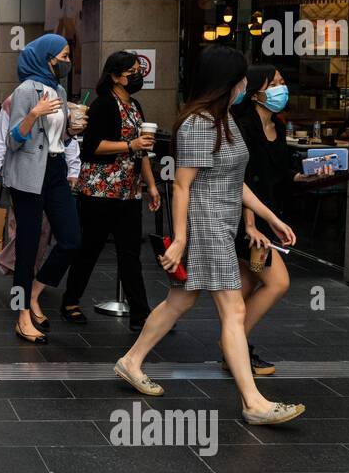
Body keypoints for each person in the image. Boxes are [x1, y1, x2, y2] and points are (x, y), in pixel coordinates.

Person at [113, 45, 306, 426]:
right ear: (226, 83)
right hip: (207, 227)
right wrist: (181, 238)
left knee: (179, 302)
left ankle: (130, 361)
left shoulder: (225, 119)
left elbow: (233, 181)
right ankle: (254, 402)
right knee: (233, 310)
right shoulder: (199, 123)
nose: (244, 86)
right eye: (241, 80)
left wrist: (269, 218)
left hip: (221, 222)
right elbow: (182, 186)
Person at [230, 63, 334, 377]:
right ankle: (232, 346)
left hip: (267, 219)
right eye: (274, 82)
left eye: (281, 81)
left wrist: (304, 176)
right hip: (246, 221)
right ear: (257, 91)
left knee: (248, 284)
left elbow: (279, 176)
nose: (281, 87)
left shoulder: (277, 124)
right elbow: (242, 178)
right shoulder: (242, 126)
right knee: (277, 282)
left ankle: (236, 348)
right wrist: (249, 225)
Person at [59, 51, 161, 331]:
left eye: (139, 70)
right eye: (132, 72)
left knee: (130, 254)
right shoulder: (103, 105)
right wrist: (130, 145)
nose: (137, 76)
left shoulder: (136, 106)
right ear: (115, 76)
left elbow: (143, 152)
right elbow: (92, 147)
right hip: (100, 190)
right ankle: (70, 300)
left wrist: (151, 185)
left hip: (129, 191)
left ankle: (141, 314)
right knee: (89, 248)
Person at [4, 33, 82, 344]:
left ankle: (35, 291)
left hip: (56, 168)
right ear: (47, 57)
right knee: (27, 245)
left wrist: (71, 131)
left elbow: (56, 138)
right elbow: (13, 140)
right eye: (63, 56)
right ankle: (21, 314)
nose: (67, 62)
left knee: (71, 239)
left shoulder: (60, 90)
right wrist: (34, 114)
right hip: (27, 173)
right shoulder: (25, 91)